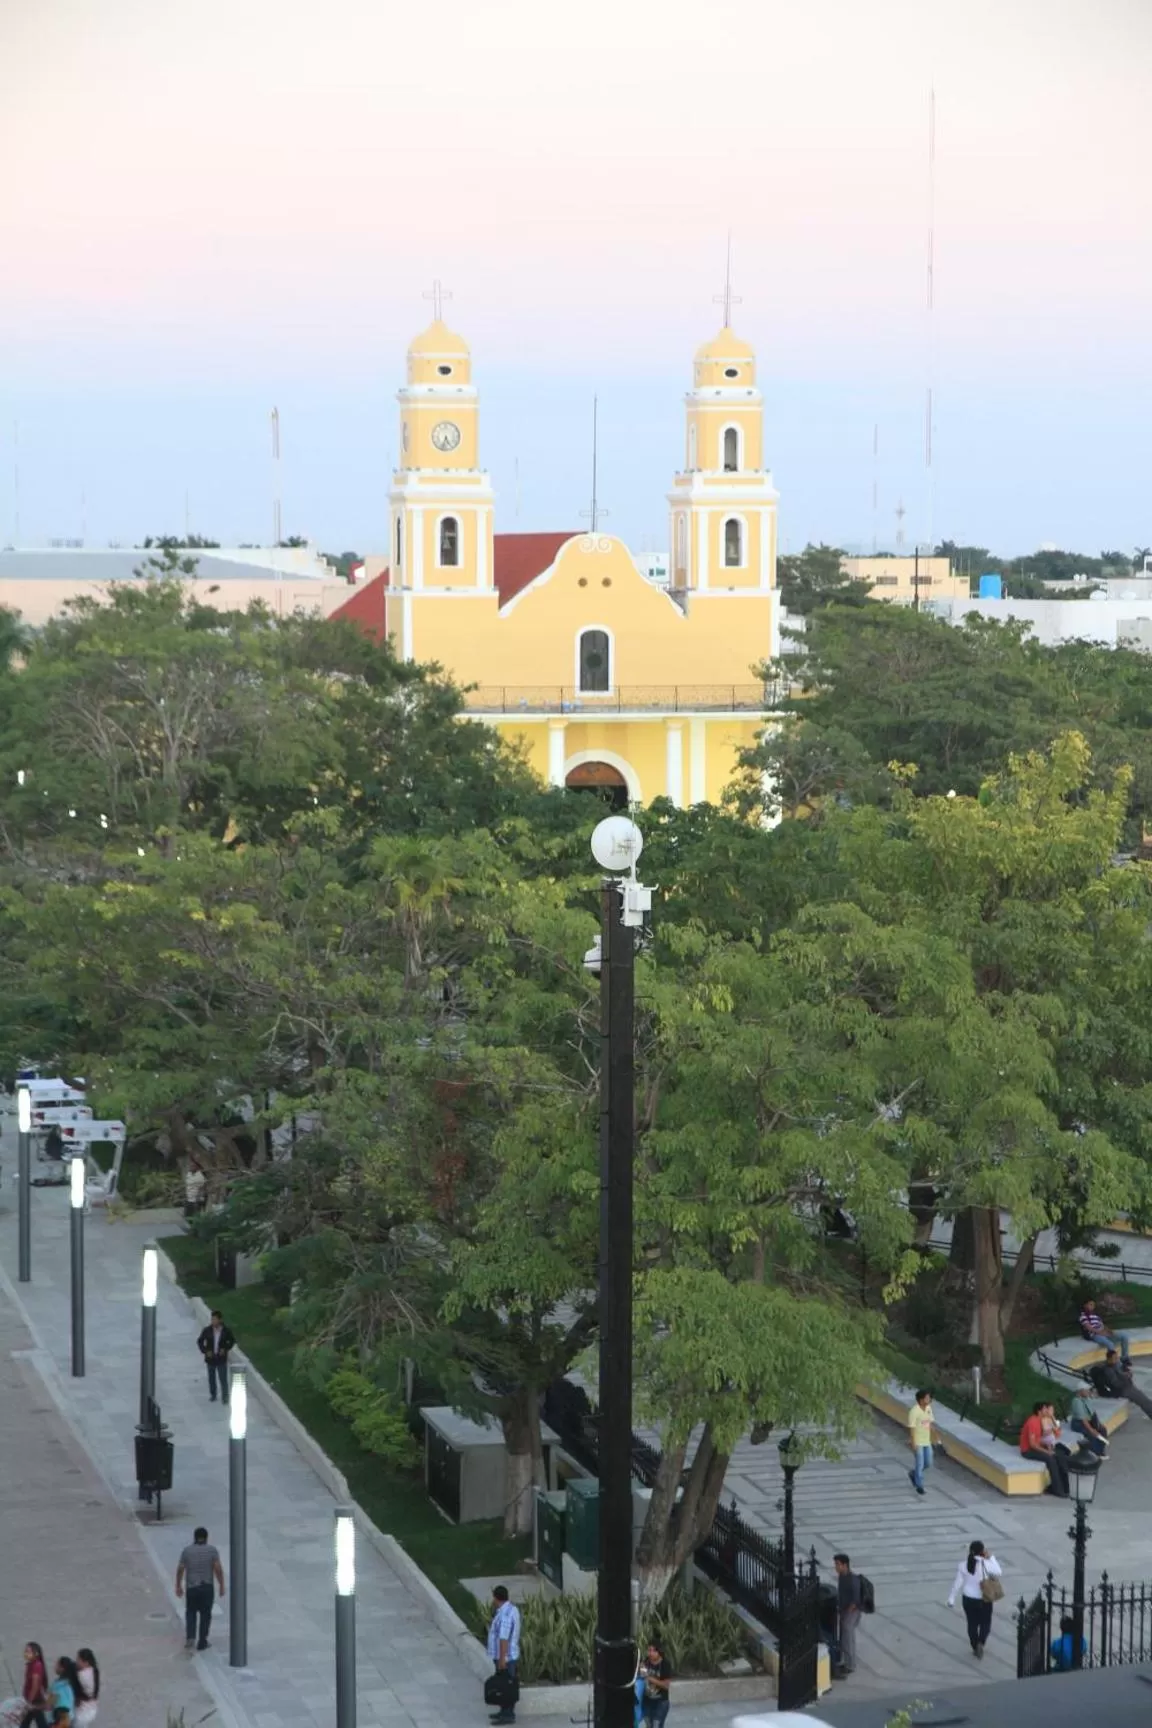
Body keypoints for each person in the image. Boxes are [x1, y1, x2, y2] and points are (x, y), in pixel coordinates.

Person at [947, 1539, 1003, 1659]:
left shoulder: (963, 1565)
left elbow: (957, 1583)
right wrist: (991, 1557)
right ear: (983, 1551)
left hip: (968, 1598)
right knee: (985, 1623)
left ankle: (974, 1645)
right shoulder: (986, 1563)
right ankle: (981, 1642)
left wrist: (951, 1599)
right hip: (984, 1598)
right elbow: (999, 1572)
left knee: (972, 1623)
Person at [175, 1526, 226, 1652]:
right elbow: (217, 1568)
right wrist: (221, 1585)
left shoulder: (187, 1551)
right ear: (206, 1538)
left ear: (194, 1537)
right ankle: (202, 1641)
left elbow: (181, 1568)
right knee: (205, 1614)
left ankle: (190, 1637)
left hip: (192, 1587)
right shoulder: (212, 1550)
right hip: (207, 1587)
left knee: (190, 1612)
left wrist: (178, 1585)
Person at [486, 1584, 521, 1727]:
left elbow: (503, 1638)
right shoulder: (511, 1609)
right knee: (504, 1685)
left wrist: (502, 1659)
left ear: (496, 1598)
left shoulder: (505, 1615)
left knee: (507, 1686)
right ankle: (503, 1711)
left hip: (506, 1657)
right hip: (508, 1656)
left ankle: (508, 1714)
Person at [1020, 1400, 1069, 1496]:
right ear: (1039, 1411)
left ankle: (1064, 1487)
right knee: (1050, 1459)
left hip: (1036, 1446)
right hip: (1028, 1451)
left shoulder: (1039, 1420)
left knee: (1059, 1455)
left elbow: (1039, 1439)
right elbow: (1032, 1444)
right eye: (1045, 1408)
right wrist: (1047, 1452)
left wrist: (1048, 1447)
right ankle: (1058, 1490)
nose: (1047, 1410)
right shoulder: (1033, 1422)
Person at [1090, 1349, 1152, 1419]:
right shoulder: (1108, 1370)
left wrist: (1127, 1374)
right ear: (1109, 1359)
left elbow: (1121, 1372)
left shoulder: (1114, 1365)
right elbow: (1116, 1384)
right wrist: (1126, 1379)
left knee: (1144, 1399)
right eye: (1115, 1358)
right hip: (1122, 1390)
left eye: (1117, 1357)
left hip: (1126, 1387)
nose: (1117, 1359)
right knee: (1143, 1400)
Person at [831, 1554, 863, 1678]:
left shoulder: (852, 1580)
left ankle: (850, 1665)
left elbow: (855, 1601)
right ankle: (848, 1662)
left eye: (838, 1564)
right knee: (846, 1638)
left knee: (847, 1638)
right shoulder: (841, 1577)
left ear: (845, 1565)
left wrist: (846, 1614)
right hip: (845, 1610)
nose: (836, 1567)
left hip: (852, 1612)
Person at [196, 1311, 235, 1405]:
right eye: (212, 1319)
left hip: (221, 1358)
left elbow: (232, 1341)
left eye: (215, 1319)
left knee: (223, 1378)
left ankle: (225, 1397)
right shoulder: (207, 1330)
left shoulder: (226, 1331)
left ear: (220, 1320)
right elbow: (200, 1341)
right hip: (211, 1358)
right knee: (211, 1378)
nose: (213, 1321)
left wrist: (225, 1349)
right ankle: (213, 1395)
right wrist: (205, 1351)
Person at [1079, 1298, 1130, 1366]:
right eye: (1090, 1304)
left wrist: (1109, 1331)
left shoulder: (1095, 1315)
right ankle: (1115, 1364)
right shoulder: (1083, 1316)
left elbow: (1102, 1325)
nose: (1092, 1306)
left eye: (1093, 1305)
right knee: (1110, 1344)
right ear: (1085, 1305)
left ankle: (1125, 1358)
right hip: (1095, 1335)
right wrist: (1101, 1332)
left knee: (1124, 1337)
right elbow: (1089, 1328)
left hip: (1104, 1333)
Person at [907, 1388, 934, 1496]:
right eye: (927, 1398)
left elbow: (930, 1423)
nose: (929, 1399)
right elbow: (912, 1428)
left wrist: (935, 1436)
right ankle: (919, 1485)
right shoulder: (914, 1412)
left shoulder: (928, 1408)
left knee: (928, 1463)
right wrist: (913, 1442)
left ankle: (913, 1474)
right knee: (919, 1464)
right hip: (918, 1442)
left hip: (926, 1441)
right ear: (921, 1400)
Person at [638, 1639, 671, 1728]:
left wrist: (649, 1678)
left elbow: (666, 1685)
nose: (651, 1653)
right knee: (649, 1725)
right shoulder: (646, 1662)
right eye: (649, 1650)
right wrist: (641, 1669)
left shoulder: (665, 1664)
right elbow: (642, 1676)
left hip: (661, 1701)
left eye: (653, 1650)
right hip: (648, 1701)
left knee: (656, 1725)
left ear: (659, 1651)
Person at [1069, 1387, 1109, 1458]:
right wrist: (1091, 1429)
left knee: (1102, 1429)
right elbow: (1083, 1419)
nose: (1088, 1392)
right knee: (1091, 1434)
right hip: (1079, 1424)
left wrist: (1098, 1424)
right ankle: (1096, 1453)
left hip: (1089, 1421)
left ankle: (1100, 1450)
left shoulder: (1086, 1398)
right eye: (1086, 1390)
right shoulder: (1076, 1402)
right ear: (1080, 1391)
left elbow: (1093, 1412)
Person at [18, 1643, 49, 1728]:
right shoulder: (31, 1664)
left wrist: (29, 1701)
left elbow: (35, 1686)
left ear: (36, 1654)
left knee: (36, 1722)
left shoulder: (36, 1666)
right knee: (28, 1722)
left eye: (28, 1651)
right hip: (32, 1699)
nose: (25, 1653)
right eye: (25, 1651)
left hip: (34, 1700)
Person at [48, 1658, 80, 1727]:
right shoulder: (71, 1683)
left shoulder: (57, 1685)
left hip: (58, 1719)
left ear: (62, 1668)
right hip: (69, 1719)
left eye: (57, 1665)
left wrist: (35, 1706)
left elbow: (50, 1704)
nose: (54, 1666)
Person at [72, 1653, 98, 1728]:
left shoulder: (81, 1674)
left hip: (82, 1712)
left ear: (86, 1662)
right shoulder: (94, 1671)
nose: (76, 1662)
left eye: (78, 1660)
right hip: (92, 1709)